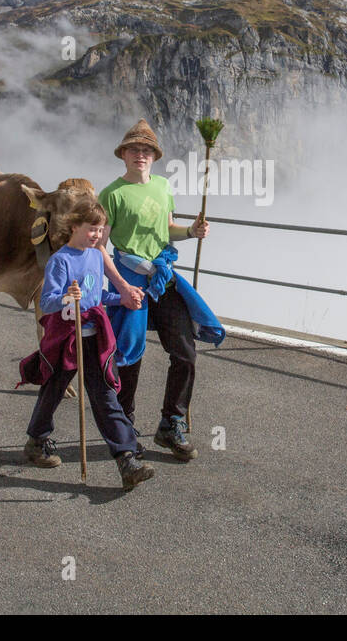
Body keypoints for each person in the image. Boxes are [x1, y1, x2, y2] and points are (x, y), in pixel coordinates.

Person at [99, 119, 224, 463]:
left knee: (185, 351)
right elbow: (99, 245)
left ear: (154, 156)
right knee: (129, 354)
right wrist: (120, 287)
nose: (140, 154)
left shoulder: (163, 187)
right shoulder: (111, 194)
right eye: (134, 149)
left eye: (146, 150)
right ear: (123, 154)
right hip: (129, 277)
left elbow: (169, 229)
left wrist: (192, 231)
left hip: (162, 276)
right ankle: (124, 429)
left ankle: (172, 422)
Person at [17, 199, 153, 490]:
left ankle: (126, 460)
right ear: (74, 226)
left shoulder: (95, 256)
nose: (97, 235)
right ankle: (36, 441)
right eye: (92, 229)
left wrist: (122, 298)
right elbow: (47, 302)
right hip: (67, 337)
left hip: (94, 339)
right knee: (53, 389)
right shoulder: (60, 261)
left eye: (100, 229)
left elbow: (97, 297)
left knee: (105, 397)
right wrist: (68, 297)